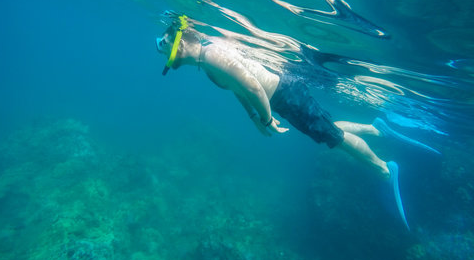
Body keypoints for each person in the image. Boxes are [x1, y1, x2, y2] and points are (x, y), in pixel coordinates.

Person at [155, 14, 439, 230]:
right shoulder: (207, 62)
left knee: (333, 138)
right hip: (282, 97)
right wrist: (255, 116)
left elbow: (253, 87)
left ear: (179, 41)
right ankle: (376, 128)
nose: (161, 46)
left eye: (164, 41)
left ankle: (385, 170)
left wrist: (265, 119)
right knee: (326, 130)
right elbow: (238, 89)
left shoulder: (212, 55)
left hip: (285, 94)